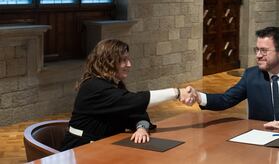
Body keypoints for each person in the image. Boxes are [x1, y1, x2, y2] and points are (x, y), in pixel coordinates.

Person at [60, 39, 196, 151]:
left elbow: (136, 110)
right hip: (80, 149)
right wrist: (176, 93)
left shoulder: (113, 84)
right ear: (108, 61)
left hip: (104, 146)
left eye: (128, 59)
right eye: (123, 60)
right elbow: (136, 101)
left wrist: (141, 128)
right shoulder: (94, 86)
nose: (129, 64)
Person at [194, 26, 279, 130]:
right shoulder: (251, 76)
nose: (258, 55)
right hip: (261, 141)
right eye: (257, 50)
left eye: (264, 51)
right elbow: (225, 100)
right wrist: (198, 97)